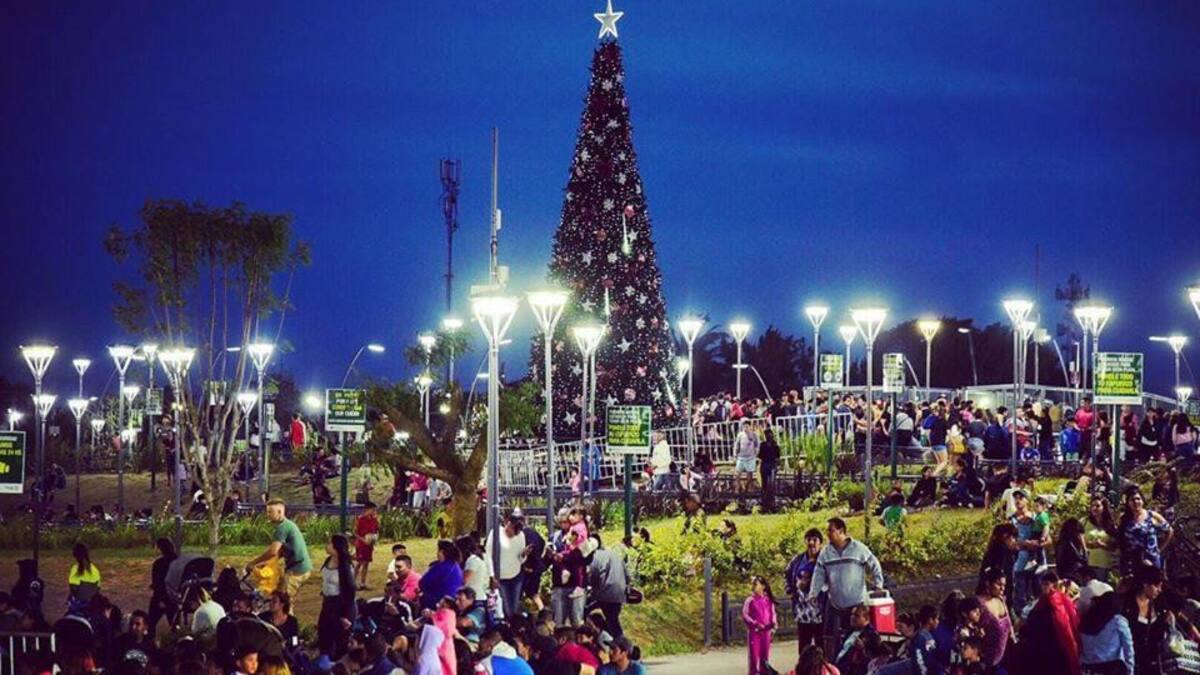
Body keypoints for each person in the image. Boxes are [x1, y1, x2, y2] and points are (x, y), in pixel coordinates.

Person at [809, 518, 885, 659]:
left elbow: (874, 564)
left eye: (831, 530)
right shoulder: (826, 552)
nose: (828, 534)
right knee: (830, 637)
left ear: (841, 531)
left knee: (854, 641)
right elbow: (818, 573)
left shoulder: (858, 548)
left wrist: (878, 584)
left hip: (856, 604)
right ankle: (832, 665)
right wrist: (813, 593)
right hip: (835, 604)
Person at [245, 499, 313, 600]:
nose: (267, 514)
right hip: (301, 566)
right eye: (267, 511)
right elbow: (280, 552)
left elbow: (273, 551)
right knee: (278, 593)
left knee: (283, 602)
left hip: (297, 569)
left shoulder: (282, 528)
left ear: (280, 512)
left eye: (270, 512)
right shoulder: (288, 524)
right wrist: (264, 562)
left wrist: (253, 563)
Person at [1018, 570, 1081, 675]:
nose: (1044, 587)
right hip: (1049, 650)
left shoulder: (1059, 603)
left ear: (1055, 585)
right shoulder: (1045, 603)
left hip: (1051, 651)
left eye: (1046, 584)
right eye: (1043, 584)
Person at [786, 528, 826, 654]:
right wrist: (790, 589)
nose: (812, 543)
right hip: (802, 610)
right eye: (809, 539)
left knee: (821, 645)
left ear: (820, 543)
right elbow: (787, 574)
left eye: (815, 540)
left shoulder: (825, 559)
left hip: (820, 610)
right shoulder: (797, 560)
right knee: (804, 645)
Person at [317, 533, 357, 656]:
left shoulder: (346, 567)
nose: (326, 545)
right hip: (327, 603)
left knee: (339, 639)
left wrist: (345, 615)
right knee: (323, 633)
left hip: (341, 606)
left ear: (336, 547)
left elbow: (350, 592)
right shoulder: (328, 560)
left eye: (329, 543)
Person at [1117, 486, 1172, 576]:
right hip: (1132, 561)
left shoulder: (1152, 516)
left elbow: (1169, 530)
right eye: (1132, 500)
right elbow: (1120, 539)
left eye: (1138, 499)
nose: (1136, 502)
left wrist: (1160, 548)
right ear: (1127, 502)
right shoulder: (1124, 519)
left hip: (1152, 559)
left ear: (1142, 500)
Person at [1122, 565, 1166, 675]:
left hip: (1152, 663)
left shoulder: (1159, 604)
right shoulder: (1126, 604)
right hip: (1129, 662)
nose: (1159, 590)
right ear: (1145, 584)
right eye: (1156, 586)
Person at [1080, 591, 1134, 675]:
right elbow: (1128, 647)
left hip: (1087, 668)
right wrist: (1130, 670)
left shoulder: (1086, 619)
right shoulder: (1118, 622)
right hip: (1110, 667)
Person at [486, 513, 529, 619]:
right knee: (505, 609)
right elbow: (488, 555)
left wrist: (524, 555)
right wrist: (492, 576)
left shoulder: (521, 536)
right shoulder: (496, 533)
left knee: (513, 609)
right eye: (514, 529)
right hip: (500, 579)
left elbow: (521, 559)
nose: (514, 533)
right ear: (507, 523)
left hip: (516, 576)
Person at [587, 534, 629, 639]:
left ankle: (613, 640)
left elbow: (592, 576)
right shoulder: (615, 555)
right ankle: (618, 642)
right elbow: (627, 575)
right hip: (619, 594)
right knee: (613, 619)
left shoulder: (594, 557)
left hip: (603, 593)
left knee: (583, 611)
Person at [976, 567, 1011, 669]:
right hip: (985, 662)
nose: (1002, 588)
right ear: (988, 583)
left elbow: (1009, 627)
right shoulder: (980, 604)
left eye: (1004, 585)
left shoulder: (1001, 600)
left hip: (1005, 657)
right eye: (998, 584)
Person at [744, 575, 778, 675]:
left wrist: (774, 623)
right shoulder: (750, 600)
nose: (754, 586)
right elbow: (745, 614)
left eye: (756, 584)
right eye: (753, 584)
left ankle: (764, 672)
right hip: (755, 632)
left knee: (765, 655)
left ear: (763, 586)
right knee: (754, 656)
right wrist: (754, 623)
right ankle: (754, 672)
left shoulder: (768, 600)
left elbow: (773, 613)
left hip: (766, 632)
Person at [420, 540, 464, 612]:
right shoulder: (456, 566)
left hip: (437, 602)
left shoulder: (440, 567)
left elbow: (422, 583)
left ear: (442, 552)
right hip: (453, 601)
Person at [147, 537, 177, 638]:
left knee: (150, 622)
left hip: (162, 597)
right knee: (174, 624)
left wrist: (160, 599)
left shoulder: (159, 563)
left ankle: (150, 641)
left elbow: (158, 583)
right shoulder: (178, 561)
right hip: (175, 597)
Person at [1085, 497, 1119, 583]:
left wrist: (1102, 545)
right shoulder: (1085, 522)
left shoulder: (1110, 525)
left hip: (1105, 565)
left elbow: (1114, 547)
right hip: (1090, 563)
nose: (1094, 508)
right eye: (1092, 506)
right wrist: (1089, 544)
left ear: (1104, 508)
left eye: (1098, 506)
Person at [354, 502, 380, 590]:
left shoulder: (374, 520)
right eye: (373, 510)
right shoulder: (360, 519)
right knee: (359, 563)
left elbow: (376, 530)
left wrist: (374, 539)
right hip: (361, 544)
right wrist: (363, 540)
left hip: (369, 545)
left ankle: (363, 583)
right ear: (367, 509)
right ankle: (352, 582)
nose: (374, 512)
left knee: (366, 564)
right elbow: (355, 533)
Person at [67, 542, 101, 610]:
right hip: (92, 602)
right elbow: (98, 588)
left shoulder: (75, 569)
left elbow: (73, 589)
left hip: (79, 603)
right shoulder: (95, 570)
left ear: (75, 555)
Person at [1056, 518, 1089, 582]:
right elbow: (1084, 560)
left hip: (1065, 575)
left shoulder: (1062, 542)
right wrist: (1084, 547)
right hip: (1071, 575)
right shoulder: (1069, 544)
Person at [734, 421, 760, 492]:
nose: (745, 428)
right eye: (744, 426)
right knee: (737, 473)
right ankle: (737, 487)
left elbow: (757, 444)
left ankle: (749, 488)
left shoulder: (754, 434)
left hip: (750, 457)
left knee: (749, 474)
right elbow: (736, 444)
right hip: (741, 457)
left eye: (747, 426)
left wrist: (757, 451)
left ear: (750, 427)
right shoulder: (740, 435)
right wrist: (735, 454)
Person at [760, 428, 781, 511]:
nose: (768, 436)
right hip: (765, 464)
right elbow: (760, 456)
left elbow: (778, 457)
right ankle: (764, 500)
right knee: (764, 483)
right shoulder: (763, 445)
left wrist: (777, 466)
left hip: (772, 465)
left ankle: (772, 500)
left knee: (771, 482)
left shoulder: (775, 446)